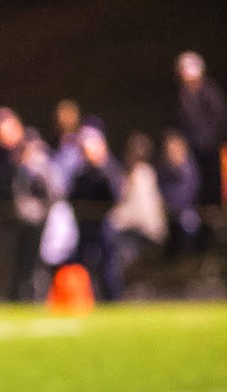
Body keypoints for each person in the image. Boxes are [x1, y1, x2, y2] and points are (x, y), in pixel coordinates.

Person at [67, 126, 124, 301]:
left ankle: (112, 300)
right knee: (81, 265)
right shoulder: (81, 174)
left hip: (105, 226)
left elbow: (114, 196)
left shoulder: (109, 170)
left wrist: (100, 166)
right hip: (85, 226)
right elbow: (73, 197)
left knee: (108, 267)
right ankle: (84, 299)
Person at [108, 132, 167, 293]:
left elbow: (140, 210)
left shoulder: (143, 174)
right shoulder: (126, 174)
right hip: (133, 230)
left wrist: (113, 221)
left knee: (119, 251)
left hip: (143, 231)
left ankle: (121, 290)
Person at [9, 134, 63, 301]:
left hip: (44, 222)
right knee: (24, 263)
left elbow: (55, 194)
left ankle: (40, 297)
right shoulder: (21, 171)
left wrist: (39, 211)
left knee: (40, 262)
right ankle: (24, 296)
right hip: (25, 224)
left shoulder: (44, 169)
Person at [175, 51, 225, 207]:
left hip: (209, 148)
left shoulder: (209, 92)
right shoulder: (183, 95)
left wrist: (205, 139)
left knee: (211, 183)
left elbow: (218, 117)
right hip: (193, 148)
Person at [156, 129, 203, 256]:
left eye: (174, 150)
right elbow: (158, 193)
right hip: (164, 213)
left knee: (188, 224)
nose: (171, 154)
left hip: (185, 212)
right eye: (168, 150)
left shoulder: (189, 170)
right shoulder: (163, 170)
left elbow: (185, 197)